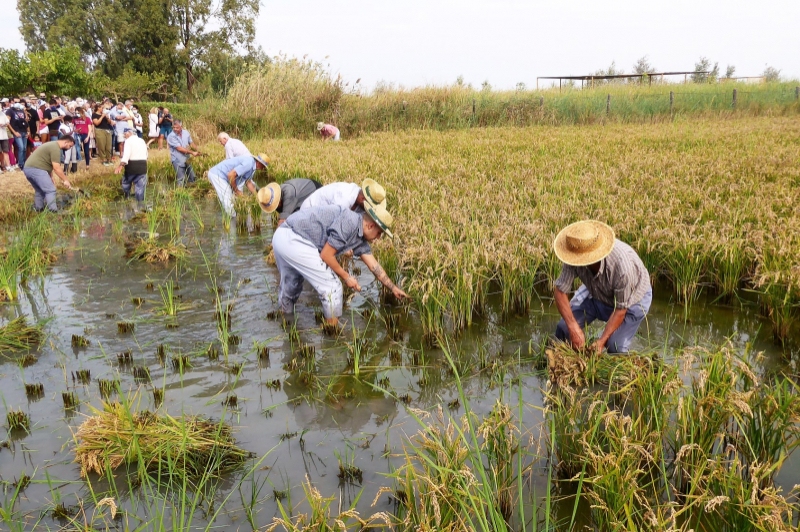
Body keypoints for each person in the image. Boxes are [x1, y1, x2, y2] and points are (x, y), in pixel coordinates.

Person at [272, 202, 408, 326]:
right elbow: (326, 255)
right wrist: (347, 277)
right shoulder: (350, 222)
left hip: (281, 237)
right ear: (370, 225)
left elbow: (374, 266)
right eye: (379, 233)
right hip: (294, 238)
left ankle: (286, 325)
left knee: (292, 286)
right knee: (332, 287)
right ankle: (332, 335)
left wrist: (393, 288)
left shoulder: (360, 237)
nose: (378, 238)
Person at [552, 220, 652, 354]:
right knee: (563, 328)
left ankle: (618, 371)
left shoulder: (622, 267)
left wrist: (601, 342)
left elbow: (621, 309)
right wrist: (573, 327)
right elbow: (560, 291)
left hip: (632, 301)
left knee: (615, 346)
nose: (578, 263)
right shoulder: (575, 252)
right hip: (597, 292)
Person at [23, 136, 75, 212]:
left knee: (40, 190)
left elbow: (46, 161)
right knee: (51, 190)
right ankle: (53, 211)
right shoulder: (55, 148)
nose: (69, 148)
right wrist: (65, 180)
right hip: (37, 169)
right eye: (70, 146)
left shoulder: (52, 145)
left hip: (28, 169)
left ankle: (39, 209)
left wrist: (51, 176)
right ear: (65, 142)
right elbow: (56, 167)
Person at [257, 178, 323, 224]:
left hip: (315, 192)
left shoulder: (288, 194)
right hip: (299, 200)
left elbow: (282, 221)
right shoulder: (274, 196)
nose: (276, 208)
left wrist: (273, 242)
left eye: (275, 205)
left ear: (278, 199)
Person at [300, 179, 386, 213]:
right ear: (362, 199)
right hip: (310, 212)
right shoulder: (344, 199)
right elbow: (332, 221)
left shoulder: (358, 197)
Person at [115, 128, 148, 207]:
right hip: (143, 166)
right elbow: (146, 155)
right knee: (140, 189)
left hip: (132, 167)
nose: (124, 135)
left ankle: (127, 198)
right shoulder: (142, 140)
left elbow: (126, 155)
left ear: (129, 133)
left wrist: (120, 166)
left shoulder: (128, 141)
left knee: (126, 183)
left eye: (125, 133)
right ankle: (141, 207)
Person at [166, 120, 200, 186]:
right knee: (181, 179)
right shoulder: (171, 136)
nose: (175, 129)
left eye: (177, 127)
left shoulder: (186, 133)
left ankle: (192, 191)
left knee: (192, 177)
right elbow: (179, 148)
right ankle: (180, 193)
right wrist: (192, 152)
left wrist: (197, 149)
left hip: (186, 158)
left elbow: (191, 142)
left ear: (181, 126)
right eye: (173, 127)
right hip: (177, 159)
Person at [7, 102, 29, 169]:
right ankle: (21, 164)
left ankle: (25, 163)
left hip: (24, 131)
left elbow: (26, 121)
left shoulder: (22, 111)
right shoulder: (10, 111)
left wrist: (28, 131)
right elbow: (7, 123)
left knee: (25, 148)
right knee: (21, 147)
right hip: (17, 132)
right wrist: (14, 132)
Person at [0, 107, 10, 173]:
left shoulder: (2, 114)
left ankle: (7, 166)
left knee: (6, 151)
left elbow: (7, 122)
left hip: (4, 136)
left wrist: (5, 124)